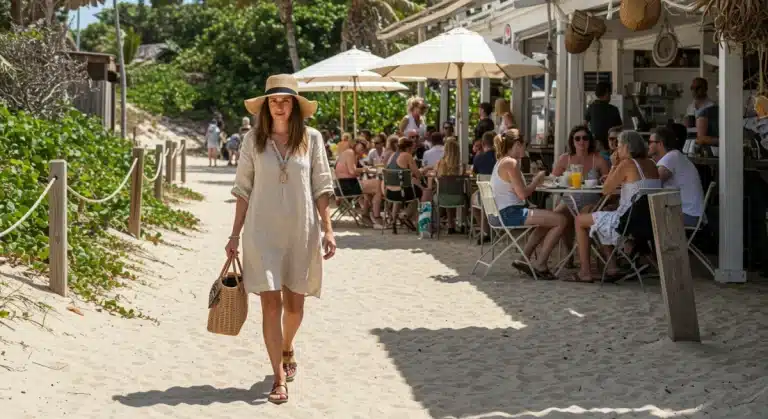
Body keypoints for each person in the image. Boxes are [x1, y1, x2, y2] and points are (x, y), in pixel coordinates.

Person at [226, 74, 336, 404]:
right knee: (270, 304)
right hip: (261, 232)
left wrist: (329, 229)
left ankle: (288, 346)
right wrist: (234, 233)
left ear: (295, 106)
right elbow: (243, 189)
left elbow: (321, 187)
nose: (279, 105)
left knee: (295, 307)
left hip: (302, 232)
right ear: (265, 106)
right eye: (274, 100)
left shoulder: (312, 139)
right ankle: (278, 378)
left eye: (285, 100)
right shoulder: (252, 141)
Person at [571, 130, 661, 283]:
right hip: (649, 220)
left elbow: (606, 190)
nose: (617, 150)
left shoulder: (627, 164)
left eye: (619, 146)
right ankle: (612, 267)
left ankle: (584, 272)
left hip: (628, 222)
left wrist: (614, 166)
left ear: (626, 147)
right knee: (600, 214)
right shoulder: (652, 164)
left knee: (580, 220)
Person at [490, 129, 567, 280]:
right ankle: (541, 264)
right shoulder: (510, 163)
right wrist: (536, 181)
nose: (525, 149)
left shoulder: (502, 162)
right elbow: (523, 194)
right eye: (524, 145)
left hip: (504, 211)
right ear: (517, 144)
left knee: (547, 220)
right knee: (561, 220)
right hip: (509, 213)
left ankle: (524, 258)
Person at [551, 126, 610, 266]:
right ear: (572, 141)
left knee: (586, 215)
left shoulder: (598, 159)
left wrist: (604, 179)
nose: (581, 141)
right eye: (577, 138)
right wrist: (560, 180)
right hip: (569, 199)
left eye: (585, 138)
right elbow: (553, 179)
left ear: (590, 141)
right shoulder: (565, 158)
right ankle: (568, 253)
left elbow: (608, 181)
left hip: (592, 200)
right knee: (559, 215)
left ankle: (593, 259)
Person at [649, 126, 704, 227]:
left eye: (650, 142)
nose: (647, 145)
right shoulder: (675, 156)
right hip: (689, 213)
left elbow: (652, 183)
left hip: (687, 215)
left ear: (660, 143)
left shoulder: (671, 157)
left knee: (642, 216)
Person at [335, 141, 384, 228]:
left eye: (364, 148)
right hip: (348, 186)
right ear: (355, 144)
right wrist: (365, 169)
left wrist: (361, 170)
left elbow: (352, 172)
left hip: (344, 185)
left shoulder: (349, 153)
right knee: (378, 185)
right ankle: (376, 217)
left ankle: (366, 214)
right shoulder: (350, 153)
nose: (362, 149)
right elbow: (352, 171)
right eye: (361, 145)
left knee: (371, 189)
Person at [428, 138, 464, 232]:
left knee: (446, 193)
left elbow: (435, 175)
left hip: (442, 197)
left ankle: (450, 225)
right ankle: (463, 223)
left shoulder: (440, 163)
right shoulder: (460, 166)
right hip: (459, 198)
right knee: (460, 195)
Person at [584, 82, 622, 156]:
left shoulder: (591, 107)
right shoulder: (613, 109)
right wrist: (612, 129)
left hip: (596, 146)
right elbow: (621, 127)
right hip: (611, 147)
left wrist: (591, 137)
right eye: (610, 93)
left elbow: (584, 125)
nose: (610, 96)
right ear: (607, 93)